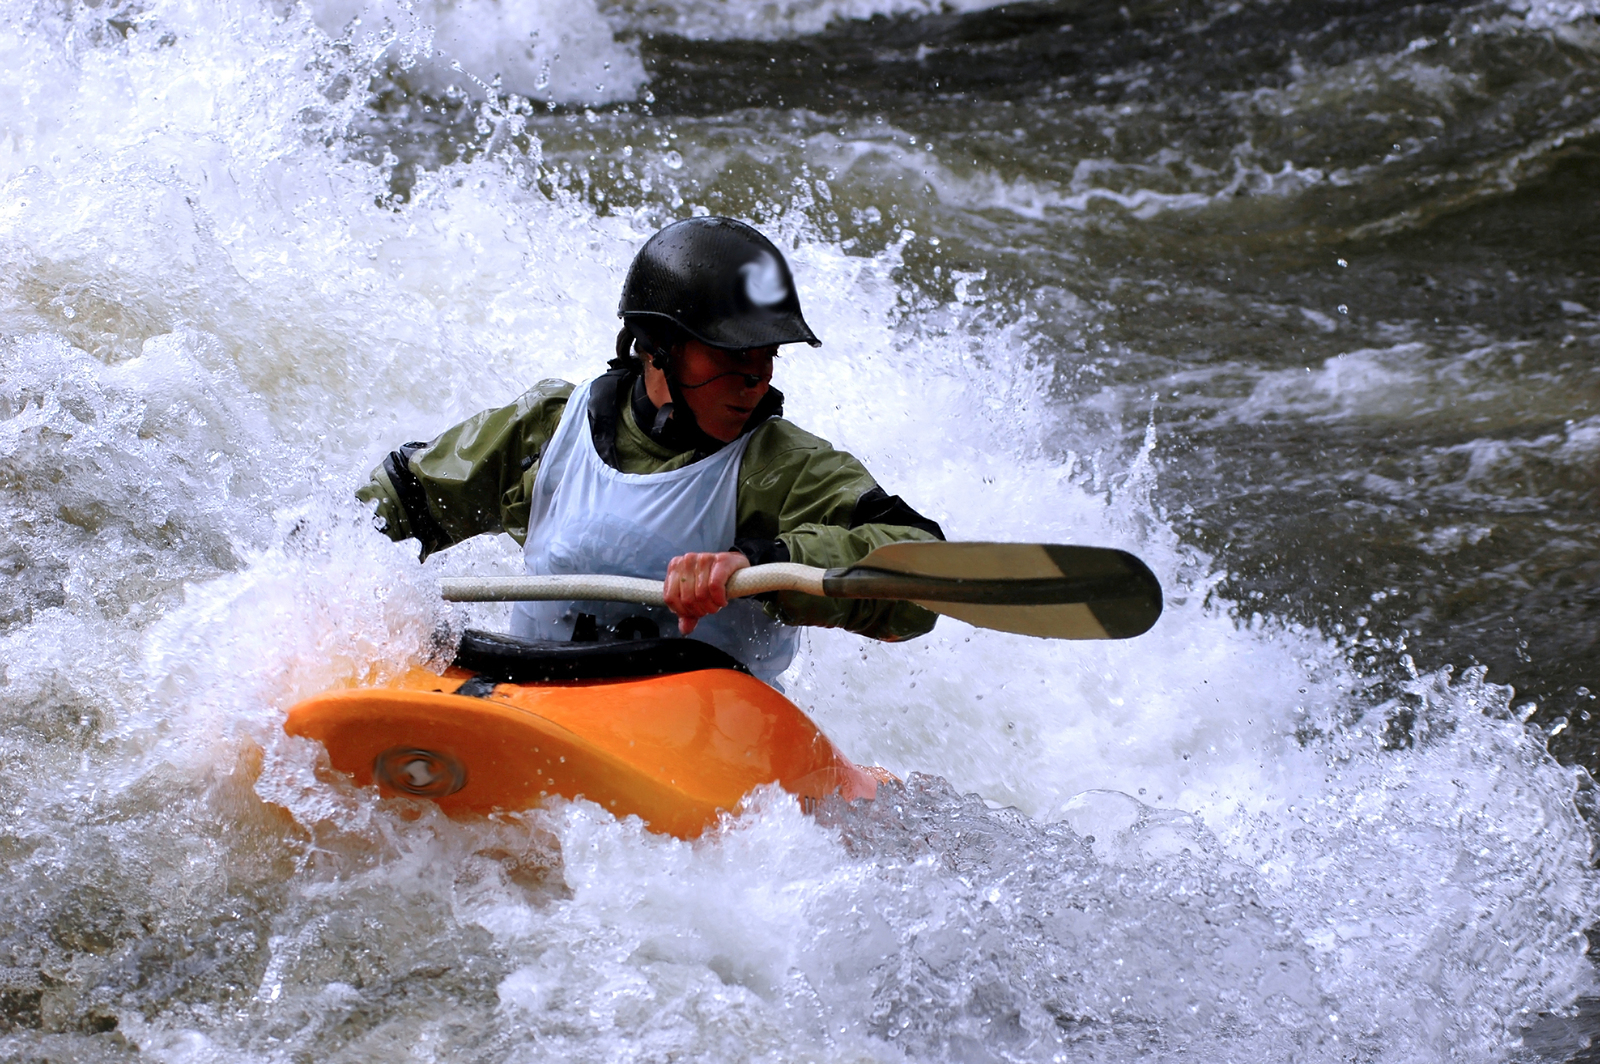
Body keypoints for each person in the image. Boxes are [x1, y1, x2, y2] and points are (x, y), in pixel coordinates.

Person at [358, 217, 945, 685]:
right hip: (534, 705)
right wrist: (315, 563)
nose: (757, 379)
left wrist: (763, 563)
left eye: (767, 355)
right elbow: (400, 501)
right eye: (731, 356)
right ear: (658, 348)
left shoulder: (780, 468)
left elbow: (922, 570)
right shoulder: (550, 430)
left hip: (703, 738)